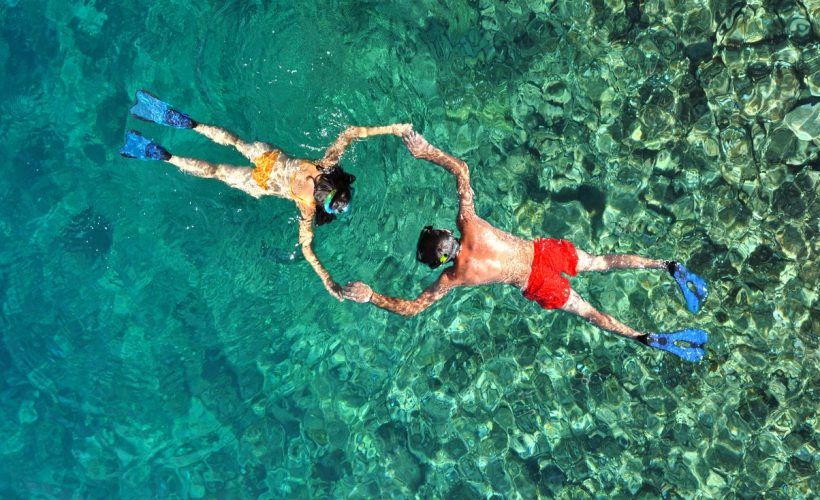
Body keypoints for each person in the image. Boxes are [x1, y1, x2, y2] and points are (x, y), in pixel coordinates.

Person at [343, 130, 709, 362]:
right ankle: (667, 266)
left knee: (590, 314)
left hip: (535, 283)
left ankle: (643, 336)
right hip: (543, 253)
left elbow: (411, 309)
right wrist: (426, 151)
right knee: (600, 262)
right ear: (447, 234)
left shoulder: (453, 278)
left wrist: (371, 295)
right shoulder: (468, 223)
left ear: (439, 261)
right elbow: (462, 170)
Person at [120, 90, 409, 300]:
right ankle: (165, 156)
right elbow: (307, 248)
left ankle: (187, 125)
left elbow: (351, 132)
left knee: (234, 142)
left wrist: (392, 129)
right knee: (216, 171)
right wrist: (327, 280)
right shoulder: (308, 204)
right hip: (262, 182)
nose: (315, 186)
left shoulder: (323, 166)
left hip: (268, 159)